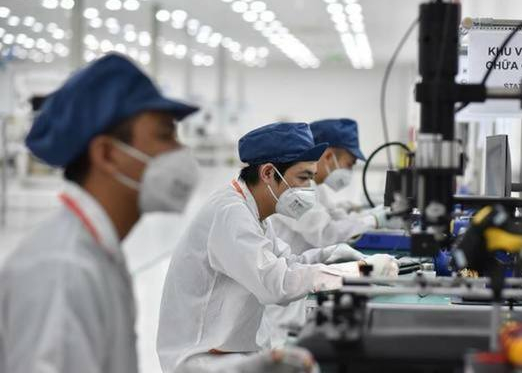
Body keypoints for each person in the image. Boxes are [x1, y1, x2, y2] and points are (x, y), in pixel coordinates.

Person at [0, 54, 201, 373]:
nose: (180, 151)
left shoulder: (96, 252)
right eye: (165, 136)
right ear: (107, 154)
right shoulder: (62, 270)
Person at [157, 122, 398, 372]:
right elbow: (276, 284)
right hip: (203, 362)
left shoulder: (252, 210)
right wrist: (358, 272)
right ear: (269, 173)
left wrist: (331, 256)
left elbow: (286, 260)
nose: (308, 191)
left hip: (230, 351)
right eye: (303, 178)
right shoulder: (231, 213)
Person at [259, 118, 403, 348]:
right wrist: (361, 268)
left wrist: (333, 253)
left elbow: (297, 261)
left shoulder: (305, 189)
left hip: (293, 295)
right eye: (349, 163)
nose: (307, 182)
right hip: (281, 311)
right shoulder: (289, 195)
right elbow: (323, 236)